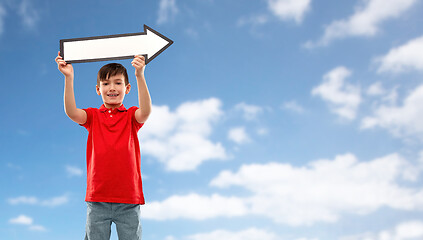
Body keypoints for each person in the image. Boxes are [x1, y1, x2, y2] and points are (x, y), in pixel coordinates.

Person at [55, 52, 151, 240]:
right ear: (98, 89)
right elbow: (72, 112)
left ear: (127, 88)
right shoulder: (92, 116)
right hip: (97, 198)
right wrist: (69, 77)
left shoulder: (131, 116)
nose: (112, 88)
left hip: (129, 199)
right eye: (106, 84)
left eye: (118, 83)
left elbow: (146, 111)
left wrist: (140, 74)